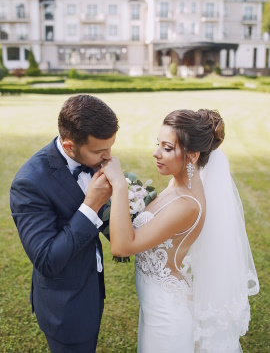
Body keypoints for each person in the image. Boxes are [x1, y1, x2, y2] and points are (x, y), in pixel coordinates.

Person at [101, 109, 259, 353]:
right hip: (154, 305)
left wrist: (120, 186)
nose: (156, 153)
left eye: (167, 147)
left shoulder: (187, 205)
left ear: (193, 156)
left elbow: (122, 247)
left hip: (167, 315)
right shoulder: (176, 185)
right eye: (158, 144)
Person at [10, 94, 118, 353]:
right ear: (69, 146)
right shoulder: (29, 184)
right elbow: (47, 259)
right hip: (64, 306)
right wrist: (91, 206)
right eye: (100, 151)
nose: (108, 157)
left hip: (91, 290)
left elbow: (110, 227)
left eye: (111, 147)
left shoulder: (92, 158)